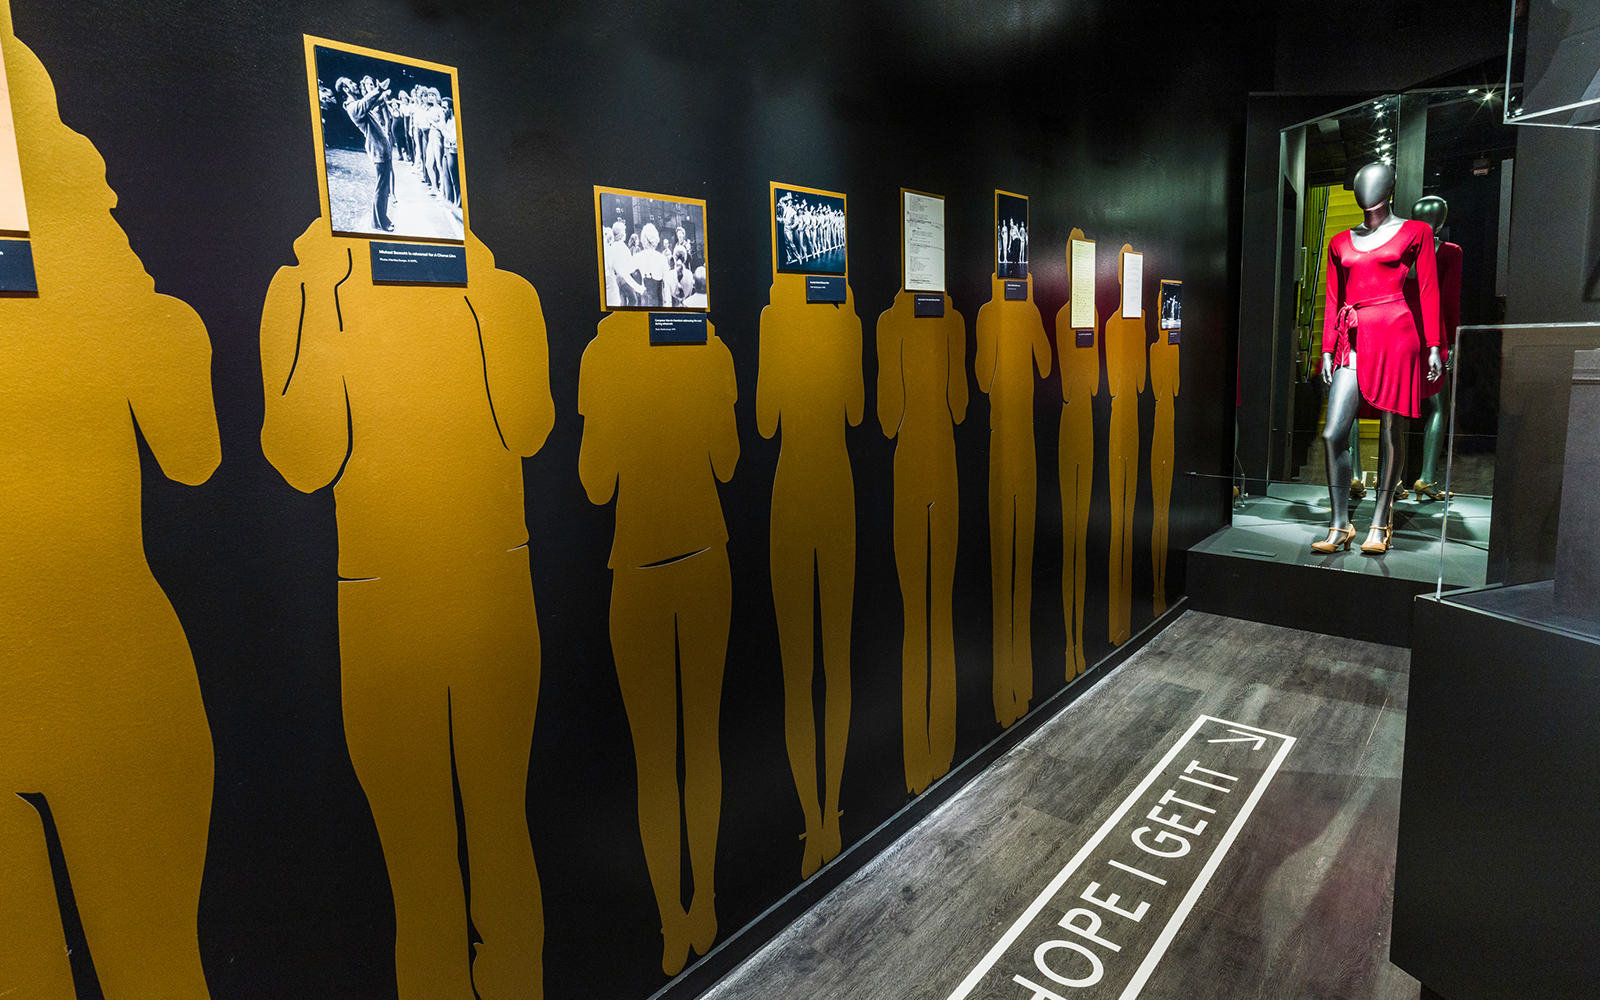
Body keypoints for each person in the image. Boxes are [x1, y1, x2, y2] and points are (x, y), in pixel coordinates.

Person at [340, 74, 395, 232]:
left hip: (382, 148)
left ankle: (381, 219)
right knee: (381, 187)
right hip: (378, 150)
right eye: (351, 82)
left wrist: (382, 94)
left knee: (384, 188)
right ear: (345, 88)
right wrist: (379, 89)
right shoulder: (352, 107)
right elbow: (366, 103)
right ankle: (379, 223)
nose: (354, 84)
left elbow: (372, 102)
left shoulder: (356, 103)